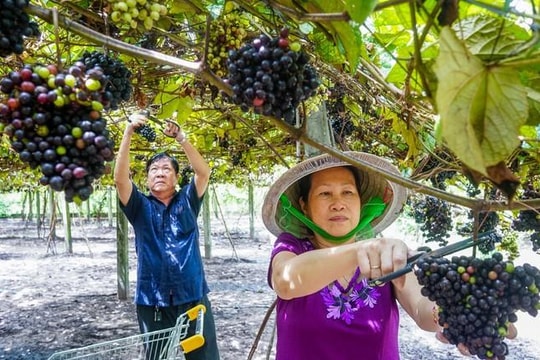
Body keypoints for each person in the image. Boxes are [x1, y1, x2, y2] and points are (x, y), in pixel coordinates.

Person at [261, 151, 515, 360]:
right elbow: (286, 281)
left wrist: (451, 315)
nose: (338, 203)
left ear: (362, 202)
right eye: (325, 193)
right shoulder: (292, 247)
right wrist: (360, 250)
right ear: (304, 205)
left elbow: (422, 310)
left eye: (348, 192)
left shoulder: (385, 255)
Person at [114, 112, 219, 360]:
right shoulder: (139, 206)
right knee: (158, 358)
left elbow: (203, 172)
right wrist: (128, 132)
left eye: (166, 169)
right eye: (153, 169)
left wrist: (181, 138)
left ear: (176, 177)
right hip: (153, 302)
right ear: (146, 178)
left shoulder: (188, 200)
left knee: (204, 357)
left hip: (193, 296)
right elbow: (120, 180)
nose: (159, 173)